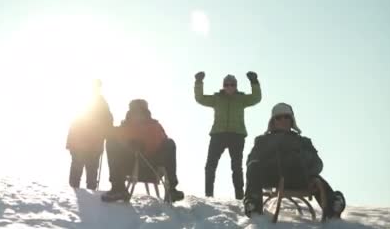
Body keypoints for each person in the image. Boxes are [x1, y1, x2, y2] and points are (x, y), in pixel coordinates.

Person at [243, 102, 346, 219]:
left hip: (300, 177)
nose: (283, 120)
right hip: (273, 176)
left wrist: (305, 160)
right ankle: (253, 205)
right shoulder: (263, 141)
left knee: (316, 180)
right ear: (273, 121)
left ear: (292, 120)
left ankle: (333, 205)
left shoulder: (303, 141)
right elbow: (251, 160)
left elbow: (318, 164)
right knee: (253, 166)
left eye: (287, 117)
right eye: (278, 117)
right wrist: (269, 160)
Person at [101, 99, 184, 203]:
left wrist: (143, 145)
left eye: (140, 111)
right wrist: (128, 144)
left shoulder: (154, 127)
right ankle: (118, 188)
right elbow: (109, 133)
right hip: (129, 165)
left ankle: (172, 189)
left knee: (169, 143)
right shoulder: (124, 128)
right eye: (135, 111)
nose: (138, 114)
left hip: (151, 166)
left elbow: (160, 142)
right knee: (111, 141)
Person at [194, 71, 262, 200]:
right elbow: (200, 99)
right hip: (218, 135)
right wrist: (198, 82)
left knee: (236, 166)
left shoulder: (241, 99)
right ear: (223, 86)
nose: (229, 87)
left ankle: (239, 196)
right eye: (227, 85)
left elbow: (256, 98)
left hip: (237, 135)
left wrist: (254, 82)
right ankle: (209, 195)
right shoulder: (217, 98)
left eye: (232, 85)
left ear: (236, 86)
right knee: (210, 165)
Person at [66, 80, 113, 190]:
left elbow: (74, 122)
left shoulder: (83, 100)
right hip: (92, 143)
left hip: (81, 142)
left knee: (79, 172)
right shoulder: (101, 103)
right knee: (90, 173)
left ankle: (76, 193)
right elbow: (109, 121)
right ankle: (86, 194)